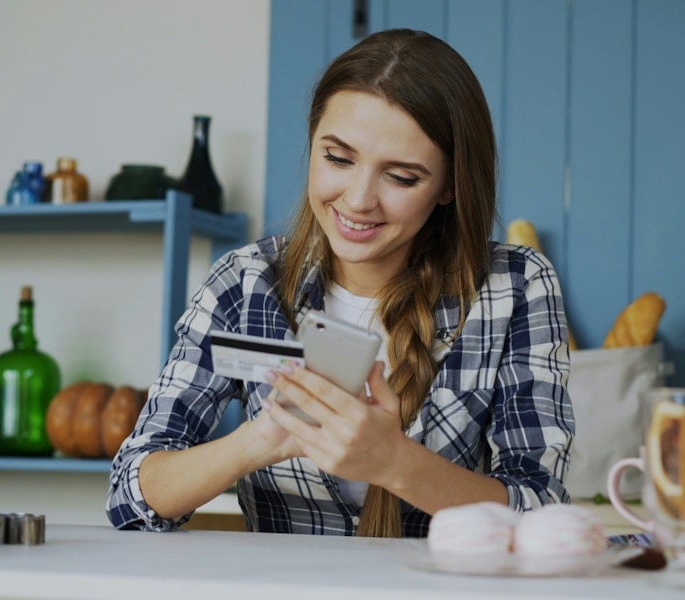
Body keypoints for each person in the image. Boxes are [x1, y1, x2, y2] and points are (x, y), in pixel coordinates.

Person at [106, 28, 574, 537]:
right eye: (338, 158)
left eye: (401, 177)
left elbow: (541, 510)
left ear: (449, 187)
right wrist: (260, 439)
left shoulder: (515, 286)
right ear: (312, 145)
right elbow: (130, 497)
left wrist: (395, 463)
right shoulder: (244, 282)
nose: (357, 200)